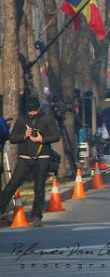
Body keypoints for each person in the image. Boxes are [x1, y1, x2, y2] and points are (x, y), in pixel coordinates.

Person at [0, 96, 61, 227]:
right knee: (13, 183)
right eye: (30, 110)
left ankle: (36, 215)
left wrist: (41, 139)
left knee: (39, 187)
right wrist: (24, 136)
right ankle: (1, 207)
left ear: (38, 108)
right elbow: (12, 138)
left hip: (42, 156)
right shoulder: (22, 120)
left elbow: (56, 136)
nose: (32, 112)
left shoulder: (47, 119)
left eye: (34, 110)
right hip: (25, 156)